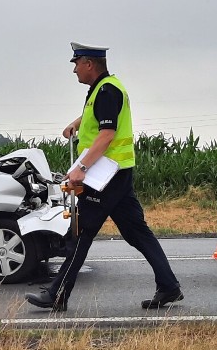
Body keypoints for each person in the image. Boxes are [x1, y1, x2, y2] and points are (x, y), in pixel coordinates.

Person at [25, 42, 183, 311]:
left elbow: (107, 134)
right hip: (117, 174)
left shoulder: (107, 90)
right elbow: (101, 117)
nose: (74, 70)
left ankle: (58, 294)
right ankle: (169, 286)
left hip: (105, 177)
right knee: (137, 234)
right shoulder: (102, 89)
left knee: (82, 232)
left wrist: (81, 168)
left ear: (89, 64)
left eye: (76, 64)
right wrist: (77, 122)